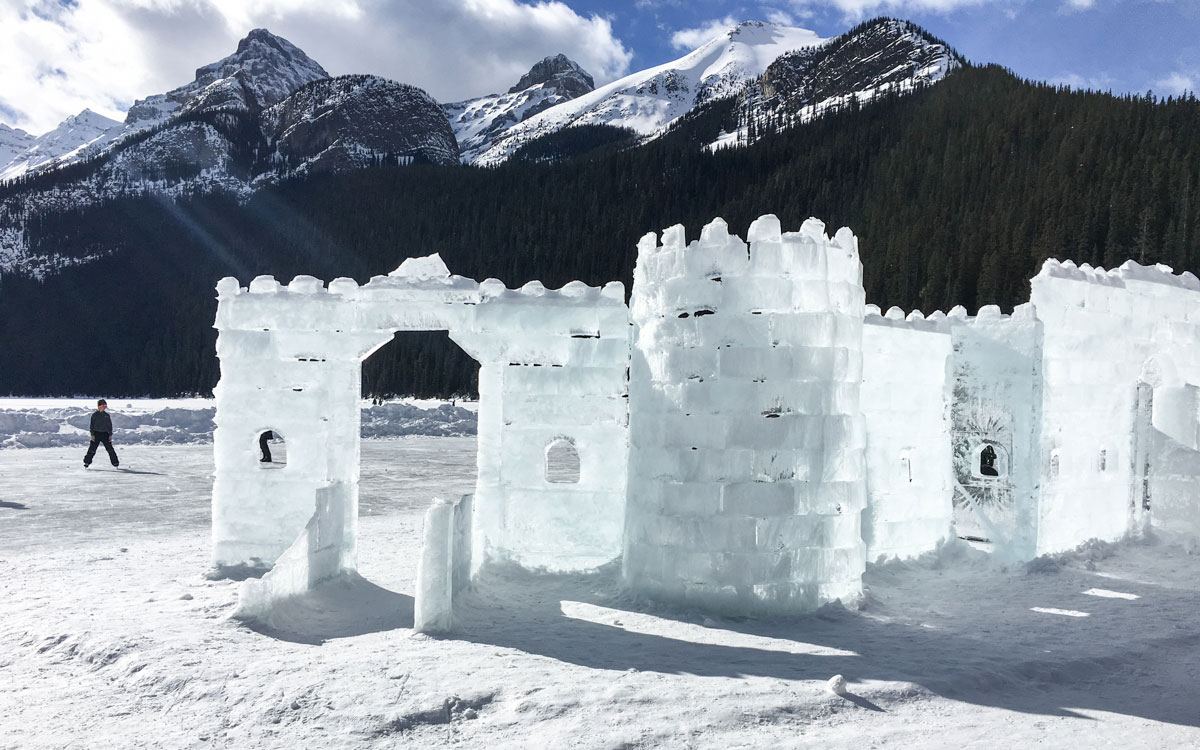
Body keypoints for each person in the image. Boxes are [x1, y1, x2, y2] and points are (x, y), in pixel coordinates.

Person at [84, 399, 119, 468]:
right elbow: (92, 425)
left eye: (105, 405)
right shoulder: (94, 415)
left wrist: (110, 434)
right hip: (96, 434)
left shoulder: (107, 415)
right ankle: (87, 462)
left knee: (110, 449)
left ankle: (115, 462)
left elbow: (109, 425)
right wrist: (92, 434)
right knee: (92, 449)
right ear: (99, 406)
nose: (104, 407)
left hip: (105, 434)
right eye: (103, 405)